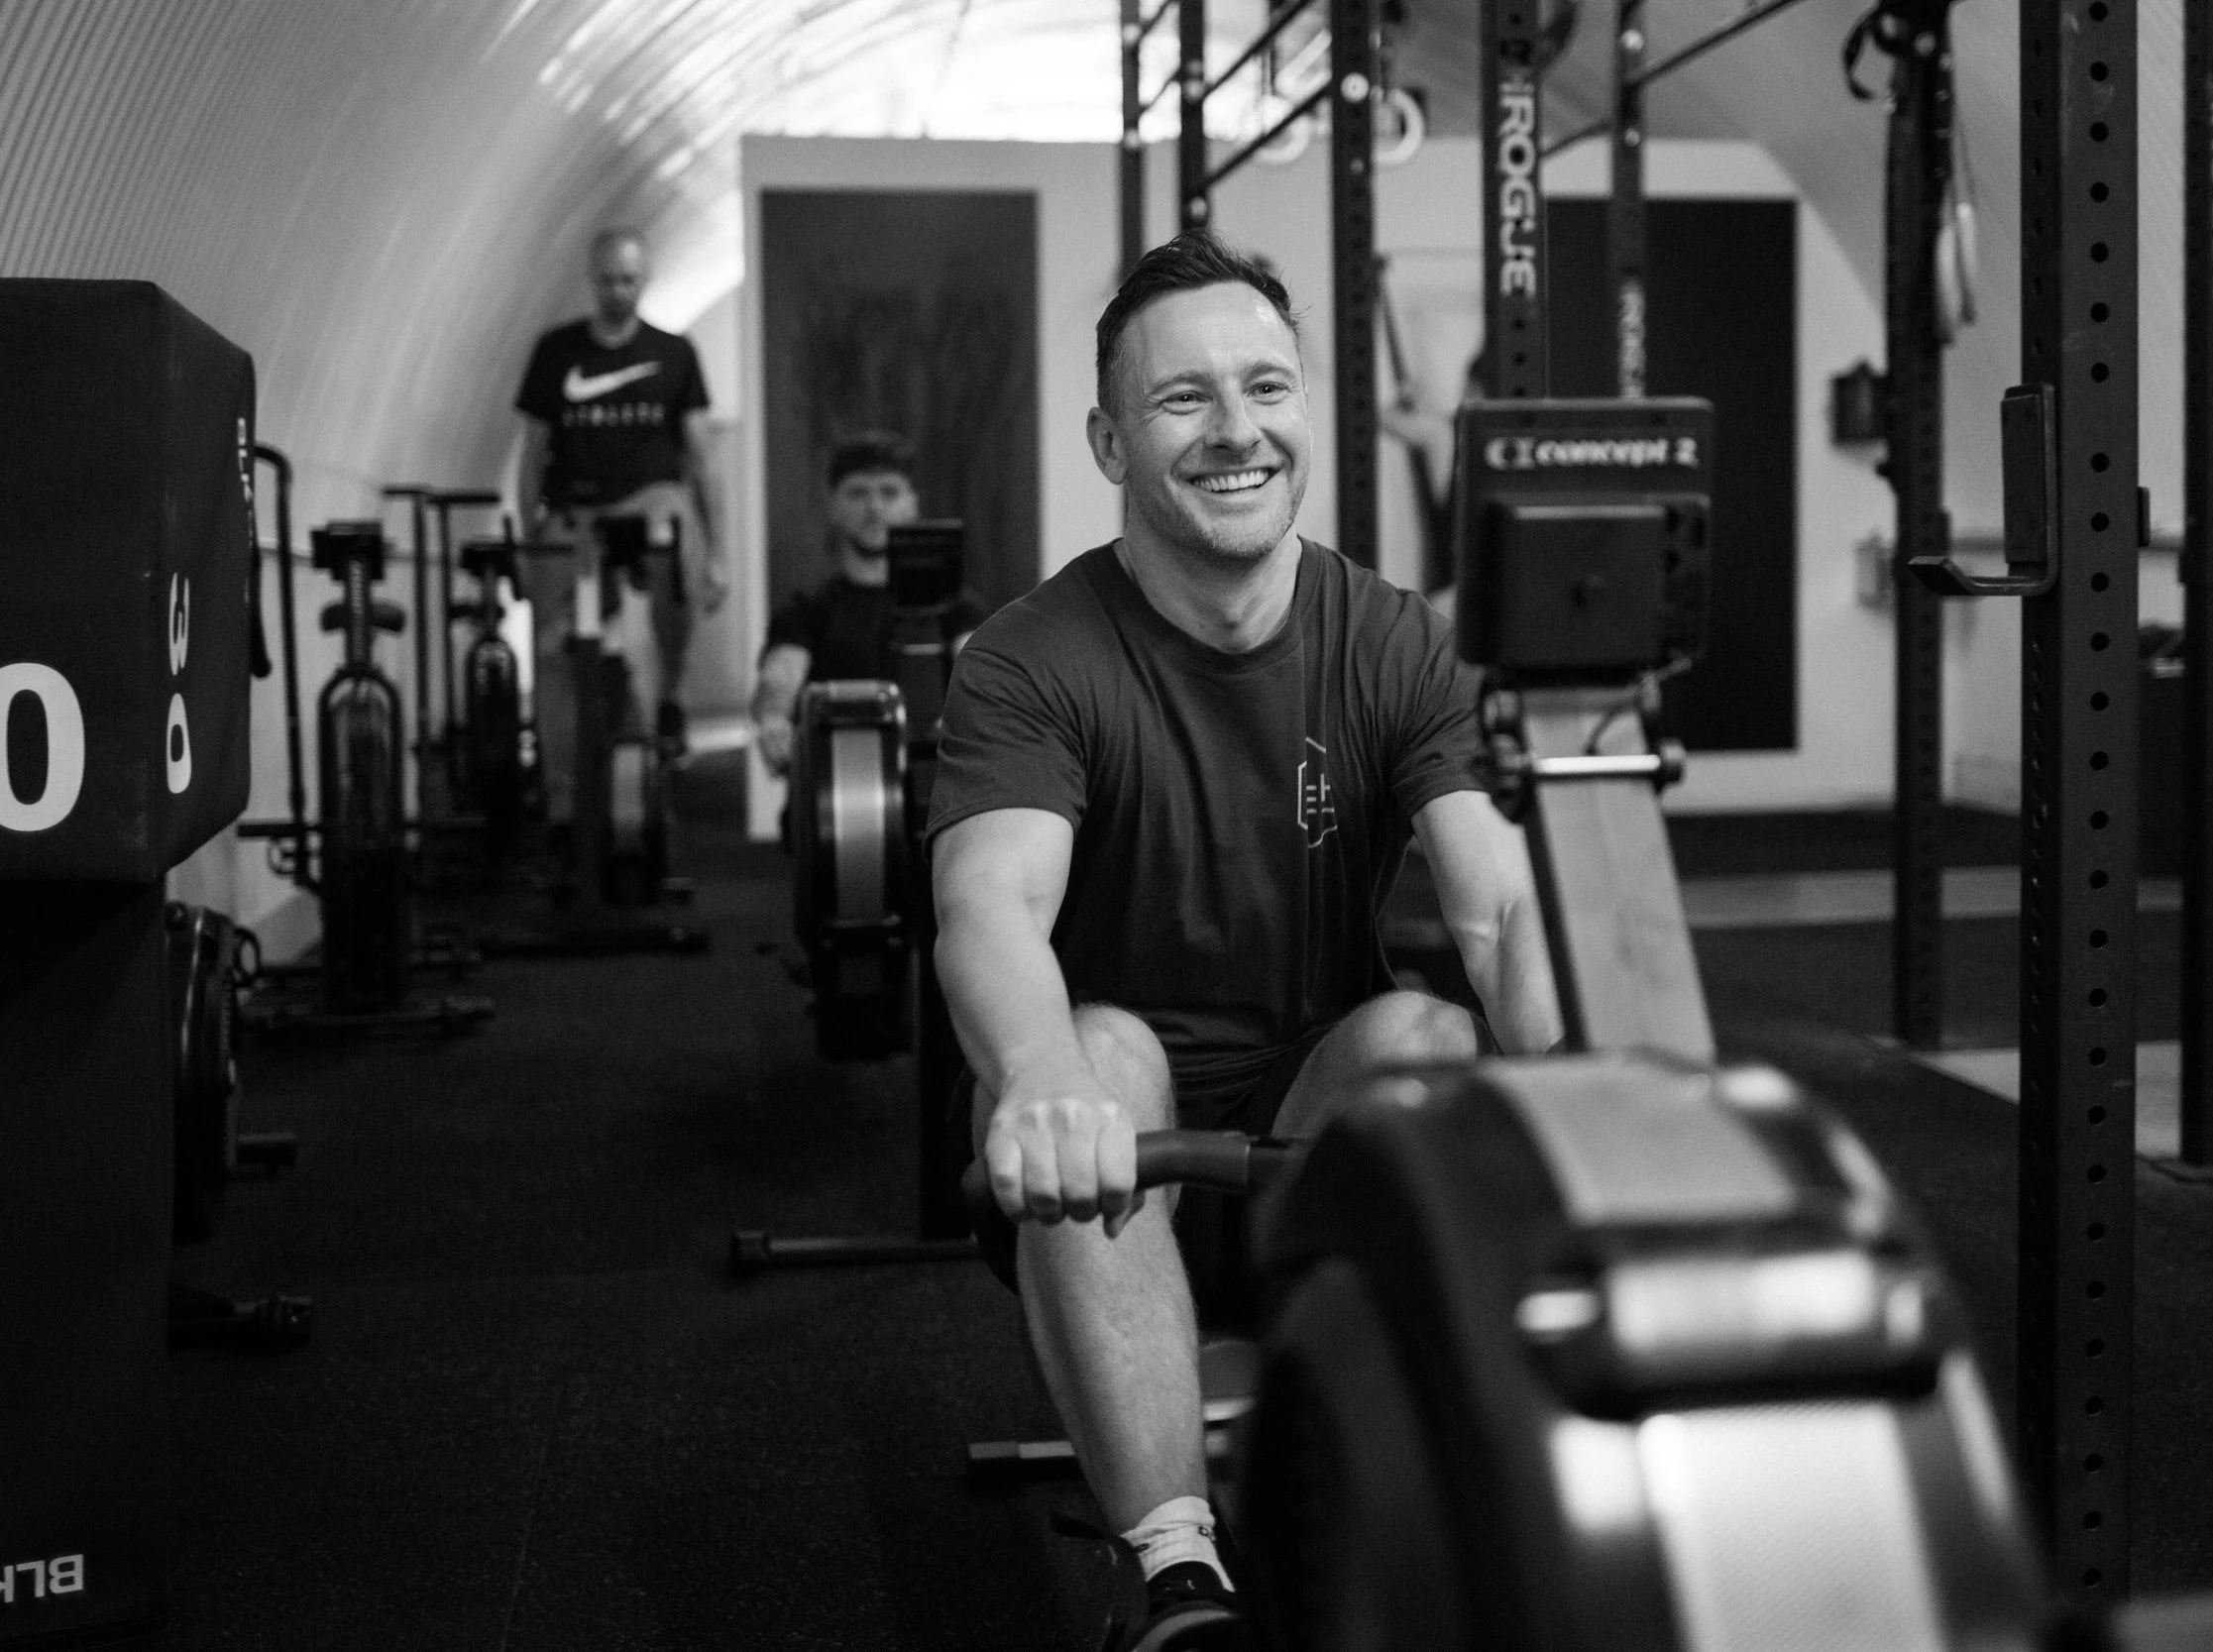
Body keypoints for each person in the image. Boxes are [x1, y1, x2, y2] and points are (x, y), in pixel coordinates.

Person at [926, 232, 1563, 1650]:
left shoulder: (1393, 637)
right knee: (1103, 1040)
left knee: (1427, 1037)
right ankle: (1173, 1577)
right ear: (1108, 438)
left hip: (1307, 1143)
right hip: (1103, 1157)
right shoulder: (1033, 657)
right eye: (1181, 399)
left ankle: (1411, 1500)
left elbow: (1500, 902)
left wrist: (1607, 1104)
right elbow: (993, 905)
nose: (1236, 430)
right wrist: (1036, 1079)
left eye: (1265, 387)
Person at [513, 226, 727, 834]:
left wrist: (718, 557)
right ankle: (561, 802)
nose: (617, 290)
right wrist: (533, 540)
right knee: (554, 650)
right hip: (574, 512)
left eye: (628, 279)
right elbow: (533, 454)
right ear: (592, 278)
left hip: (647, 503)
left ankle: (670, 695)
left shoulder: (674, 352)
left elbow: (700, 457)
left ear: (645, 279)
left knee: (669, 517)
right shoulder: (556, 352)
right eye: (607, 279)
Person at [750, 431, 987, 777]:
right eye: (858, 492)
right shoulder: (805, 612)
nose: (874, 507)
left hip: (936, 800)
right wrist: (773, 720)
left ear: (912, 504)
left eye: (889, 492)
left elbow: (979, 672)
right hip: (836, 803)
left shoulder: (958, 608)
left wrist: (975, 715)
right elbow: (781, 676)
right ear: (833, 505)